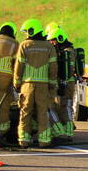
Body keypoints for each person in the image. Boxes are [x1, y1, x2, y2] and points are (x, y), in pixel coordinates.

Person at [13, 18, 57, 148]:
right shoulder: (49, 47)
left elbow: (18, 66)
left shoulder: (24, 45)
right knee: (43, 112)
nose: (26, 34)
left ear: (33, 30)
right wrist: (52, 85)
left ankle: (23, 140)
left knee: (25, 112)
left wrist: (16, 83)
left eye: (27, 31)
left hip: (27, 86)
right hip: (43, 86)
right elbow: (53, 68)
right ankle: (44, 140)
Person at [46, 22, 77, 141]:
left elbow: (66, 70)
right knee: (60, 107)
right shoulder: (65, 50)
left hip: (67, 84)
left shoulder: (67, 52)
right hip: (64, 83)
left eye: (53, 41)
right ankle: (64, 130)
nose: (52, 43)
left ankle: (68, 132)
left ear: (60, 38)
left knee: (66, 106)